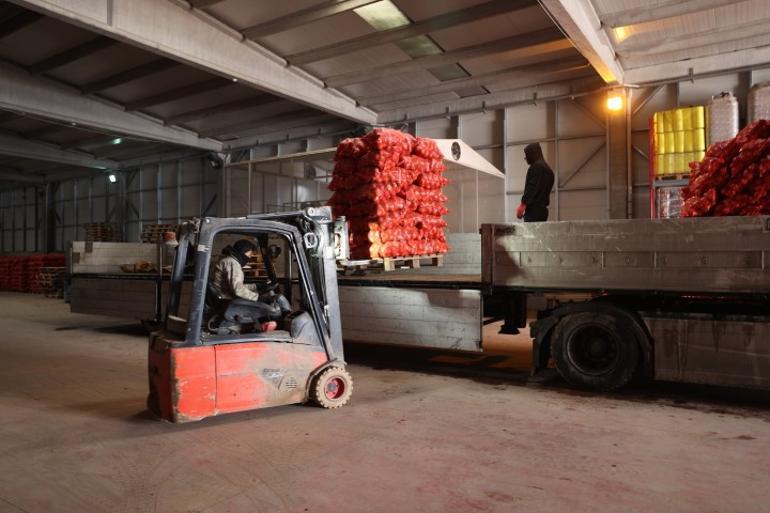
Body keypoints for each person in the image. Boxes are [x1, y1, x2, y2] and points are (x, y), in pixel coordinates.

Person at [209, 239, 291, 328]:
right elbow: (238, 290)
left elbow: (235, 286)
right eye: (249, 254)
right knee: (272, 306)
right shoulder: (232, 263)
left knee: (268, 305)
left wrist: (256, 287)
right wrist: (258, 298)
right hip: (227, 301)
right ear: (242, 252)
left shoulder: (228, 260)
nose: (249, 257)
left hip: (226, 299)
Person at [517, 142, 555, 222]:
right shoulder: (549, 170)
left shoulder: (536, 167)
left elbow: (532, 187)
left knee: (530, 234)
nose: (526, 158)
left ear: (532, 154)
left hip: (533, 211)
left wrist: (522, 205)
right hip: (543, 211)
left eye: (527, 155)